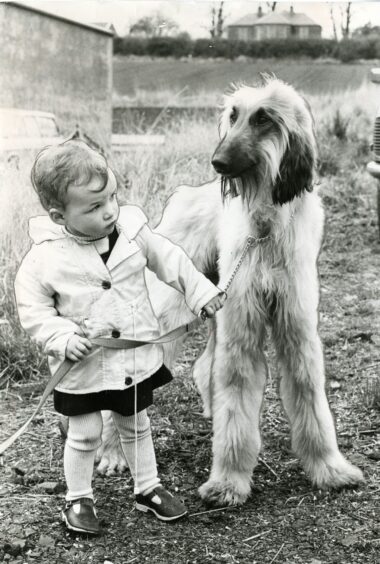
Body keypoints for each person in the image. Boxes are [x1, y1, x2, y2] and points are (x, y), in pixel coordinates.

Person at [14, 139, 225, 535]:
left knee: (136, 421)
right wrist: (60, 337)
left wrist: (201, 293)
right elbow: (33, 310)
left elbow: (171, 260)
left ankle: (147, 488)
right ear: (60, 216)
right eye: (93, 207)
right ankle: (78, 498)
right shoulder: (44, 258)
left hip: (130, 359)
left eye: (112, 196)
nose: (109, 210)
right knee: (86, 431)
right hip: (83, 363)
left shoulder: (131, 230)